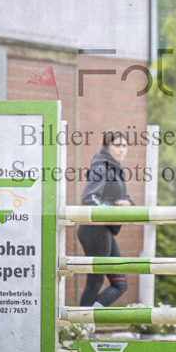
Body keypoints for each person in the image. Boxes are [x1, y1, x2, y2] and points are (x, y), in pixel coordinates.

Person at [77, 130, 130, 308]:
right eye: (117, 146)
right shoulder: (102, 168)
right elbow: (88, 198)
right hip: (95, 230)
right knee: (95, 282)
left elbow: (126, 199)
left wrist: (128, 205)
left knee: (120, 283)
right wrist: (113, 210)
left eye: (124, 146)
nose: (121, 150)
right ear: (107, 148)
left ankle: (86, 322)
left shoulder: (117, 169)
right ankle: (80, 326)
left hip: (105, 231)